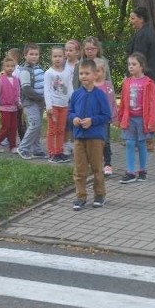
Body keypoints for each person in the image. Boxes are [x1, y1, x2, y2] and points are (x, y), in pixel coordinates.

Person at [68, 59, 111, 210]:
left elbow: (107, 115)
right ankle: (80, 197)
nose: (83, 76)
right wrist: (74, 119)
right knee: (79, 169)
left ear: (95, 75)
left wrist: (92, 120)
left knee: (96, 168)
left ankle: (99, 195)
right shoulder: (76, 94)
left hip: (95, 137)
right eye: (81, 73)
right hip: (79, 137)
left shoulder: (100, 95)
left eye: (87, 73)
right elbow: (70, 112)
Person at [117, 53, 155, 184]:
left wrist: (151, 121)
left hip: (142, 119)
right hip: (129, 118)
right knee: (129, 143)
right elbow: (123, 100)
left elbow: (152, 103)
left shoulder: (149, 83)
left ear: (142, 66)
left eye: (134, 64)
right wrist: (121, 116)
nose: (131, 67)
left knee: (141, 144)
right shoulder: (127, 82)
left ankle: (143, 170)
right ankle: (130, 171)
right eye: (129, 64)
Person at [127, 7, 155, 129]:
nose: (130, 21)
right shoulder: (149, 32)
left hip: (143, 80)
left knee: (140, 108)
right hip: (152, 77)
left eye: (133, 18)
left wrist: (132, 78)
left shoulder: (142, 35)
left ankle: (140, 137)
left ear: (141, 19)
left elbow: (137, 59)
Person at [16, 43, 46, 160]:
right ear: (25, 55)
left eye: (36, 54)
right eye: (31, 54)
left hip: (39, 103)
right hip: (30, 102)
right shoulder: (25, 70)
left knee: (38, 127)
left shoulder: (39, 69)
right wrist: (39, 97)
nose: (34, 56)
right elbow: (26, 88)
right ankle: (23, 148)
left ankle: (37, 150)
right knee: (34, 125)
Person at [44, 45, 71, 163]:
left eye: (60, 56)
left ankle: (59, 152)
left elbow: (70, 88)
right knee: (52, 130)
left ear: (64, 57)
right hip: (53, 106)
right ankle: (51, 153)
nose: (57, 59)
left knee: (61, 130)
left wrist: (72, 101)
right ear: (51, 57)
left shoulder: (68, 71)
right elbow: (47, 90)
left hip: (64, 106)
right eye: (55, 56)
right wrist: (49, 106)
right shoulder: (49, 73)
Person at [94, 58, 118, 174]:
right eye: (94, 71)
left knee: (106, 141)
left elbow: (112, 101)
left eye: (98, 71)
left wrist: (114, 117)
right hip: (93, 119)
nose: (96, 73)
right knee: (95, 141)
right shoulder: (90, 86)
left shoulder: (108, 85)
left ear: (103, 72)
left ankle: (108, 164)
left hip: (105, 119)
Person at [0, 56, 21, 153]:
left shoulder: (16, 79)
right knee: (5, 127)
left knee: (13, 127)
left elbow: (18, 93)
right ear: (4, 67)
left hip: (14, 108)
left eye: (12, 66)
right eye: (7, 66)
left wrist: (19, 102)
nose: (10, 68)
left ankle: (12, 146)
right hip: (4, 108)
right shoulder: (1, 80)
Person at [62, 39, 80, 157]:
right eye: (66, 50)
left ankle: (74, 144)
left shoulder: (81, 64)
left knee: (75, 121)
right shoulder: (62, 64)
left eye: (71, 50)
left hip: (77, 97)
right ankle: (65, 144)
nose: (68, 52)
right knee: (65, 122)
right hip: (64, 97)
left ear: (77, 52)